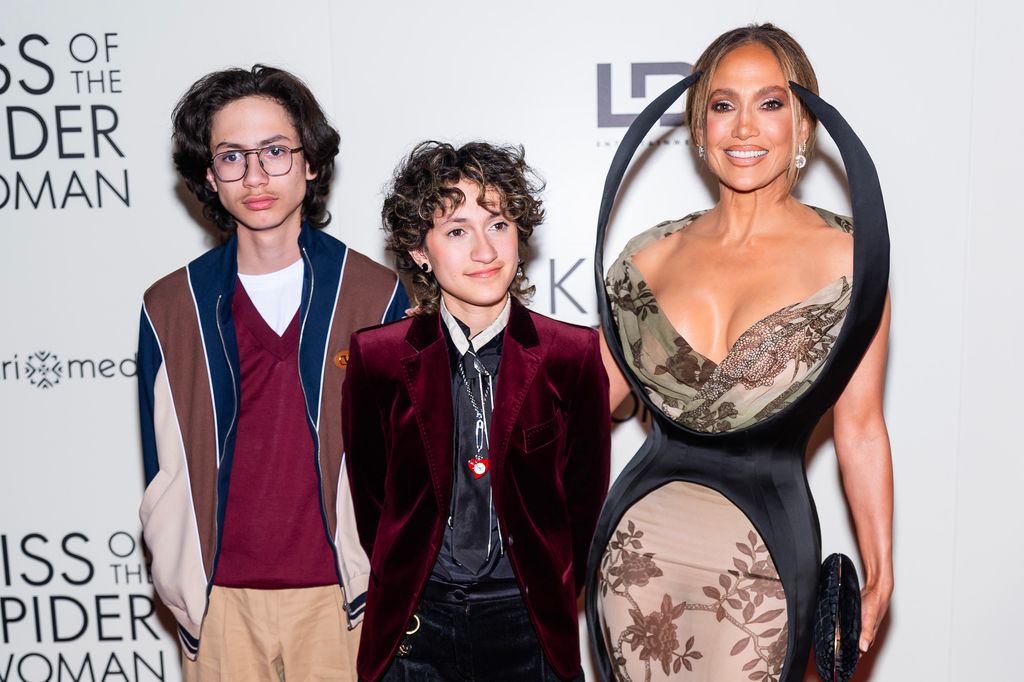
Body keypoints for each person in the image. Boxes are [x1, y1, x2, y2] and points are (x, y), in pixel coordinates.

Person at [586, 24, 893, 682]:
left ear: (804, 125)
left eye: (771, 103)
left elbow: (862, 428)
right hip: (634, 554)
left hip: (764, 566)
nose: (744, 127)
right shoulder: (647, 258)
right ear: (700, 128)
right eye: (723, 105)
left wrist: (880, 565)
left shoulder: (850, 259)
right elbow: (585, 412)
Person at [137, 65, 408, 681]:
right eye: (232, 156)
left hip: (348, 601)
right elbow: (159, 462)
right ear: (210, 175)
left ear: (310, 163)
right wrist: (179, 572)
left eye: (275, 151)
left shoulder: (374, 295)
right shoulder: (171, 307)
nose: (255, 176)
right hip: (217, 607)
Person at [342, 141, 610, 681]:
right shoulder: (378, 358)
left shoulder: (571, 355)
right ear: (420, 250)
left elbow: (584, 505)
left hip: (529, 625)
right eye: (457, 231)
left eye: (499, 225)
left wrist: (550, 587)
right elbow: (374, 503)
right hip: (417, 625)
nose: (485, 251)